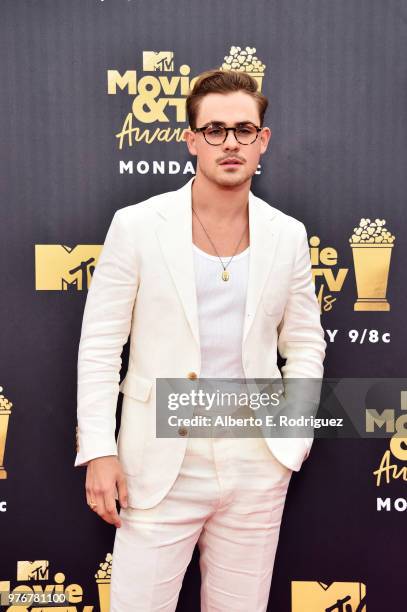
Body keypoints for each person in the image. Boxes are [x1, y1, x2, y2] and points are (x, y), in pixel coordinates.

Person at [74, 68, 326, 611]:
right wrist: (99, 449)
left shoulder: (287, 235)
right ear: (191, 141)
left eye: (243, 129)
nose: (229, 142)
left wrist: (293, 437)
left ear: (263, 141)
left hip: (256, 461)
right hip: (159, 461)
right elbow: (99, 345)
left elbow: (305, 342)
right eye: (214, 129)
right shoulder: (137, 226)